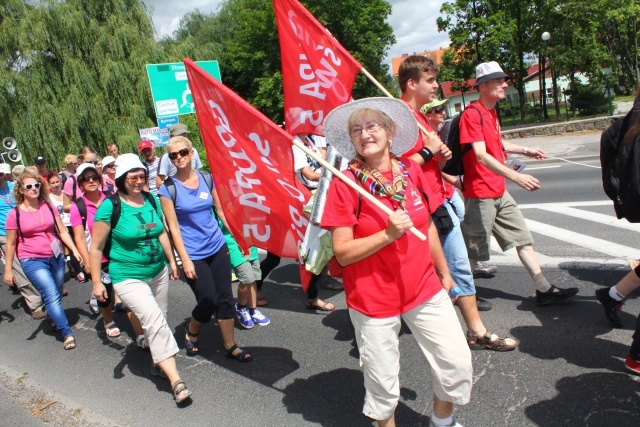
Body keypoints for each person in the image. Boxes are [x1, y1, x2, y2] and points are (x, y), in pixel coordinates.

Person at [322, 98, 472, 427]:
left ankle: (441, 422)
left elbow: (427, 225)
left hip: (424, 287)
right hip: (373, 299)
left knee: (456, 364)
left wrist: (444, 272)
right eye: (356, 130)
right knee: (383, 387)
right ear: (352, 141)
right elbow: (343, 252)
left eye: (373, 125)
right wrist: (387, 235)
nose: (365, 134)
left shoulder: (409, 170)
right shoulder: (344, 184)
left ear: (390, 133)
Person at [399, 56, 517, 353]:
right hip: (418, 211)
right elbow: (395, 171)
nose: (436, 86)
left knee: (457, 267)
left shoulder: (421, 118)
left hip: (438, 203)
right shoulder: (399, 121)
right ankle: (384, 325)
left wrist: (441, 157)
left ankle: (474, 331)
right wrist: (428, 152)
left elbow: (426, 163)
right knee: (439, 272)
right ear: (412, 83)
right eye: (430, 81)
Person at [458, 61, 578, 306]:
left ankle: (543, 289)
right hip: (480, 192)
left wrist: (526, 150)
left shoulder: (490, 112)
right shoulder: (471, 115)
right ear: (483, 86)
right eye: (498, 80)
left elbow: (496, 146)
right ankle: (465, 295)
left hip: (498, 190)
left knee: (522, 237)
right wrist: (516, 177)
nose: (504, 84)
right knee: (474, 247)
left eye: (504, 80)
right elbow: (480, 154)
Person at [89, 153, 191, 403]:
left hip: (157, 271)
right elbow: (96, 248)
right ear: (121, 178)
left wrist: (171, 260)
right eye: (133, 176)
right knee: (155, 322)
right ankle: (176, 380)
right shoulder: (110, 206)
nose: (138, 180)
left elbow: (161, 232)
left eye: (142, 176)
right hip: (127, 276)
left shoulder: (149, 199)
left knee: (160, 319)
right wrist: (96, 282)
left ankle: (158, 363)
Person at [159, 136, 253, 360]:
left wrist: (238, 238)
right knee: (207, 300)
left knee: (224, 298)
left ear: (192, 153)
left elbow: (220, 212)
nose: (178, 158)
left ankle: (230, 345)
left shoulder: (206, 178)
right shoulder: (168, 189)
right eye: (173, 155)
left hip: (217, 247)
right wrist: (185, 260)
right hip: (194, 254)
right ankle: (192, 329)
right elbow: (173, 229)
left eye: (182, 152)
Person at [3, 170, 82, 350]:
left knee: (57, 292)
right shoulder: (14, 215)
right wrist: (9, 269)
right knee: (51, 295)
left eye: (37, 185)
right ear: (21, 190)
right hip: (31, 259)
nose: (34, 189)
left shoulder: (47, 206)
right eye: (29, 186)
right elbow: (10, 244)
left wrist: (75, 250)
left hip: (56, 255)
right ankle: (66, 332)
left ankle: (52, 315)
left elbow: (62, 230)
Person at [421, 99, 499, 280]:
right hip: (439, 193)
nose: (442, 112)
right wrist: (457, 183)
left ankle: (469, 268)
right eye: (438, 109)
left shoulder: (441, 132)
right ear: (428, 114)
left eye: (442, 108)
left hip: (447, 190)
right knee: (454, 230)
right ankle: (454, 277)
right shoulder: (427, 137)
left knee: (462, 223)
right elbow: (435, 170)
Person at [0, 163, 45, 319]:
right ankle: (36, 305)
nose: (0, 177)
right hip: (5, 235)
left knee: (35, 261)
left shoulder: (14, 186)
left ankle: (46, 289)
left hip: (25, 229)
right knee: (18, 269)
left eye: (1, 174)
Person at [156, 124, 203, 188]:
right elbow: (159, 183)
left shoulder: (193, 151)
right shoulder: (166, 156)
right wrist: (179, 186)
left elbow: (199, 171)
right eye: (179, 136)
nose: (182, 138)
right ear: (171, 137)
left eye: (184, 135)